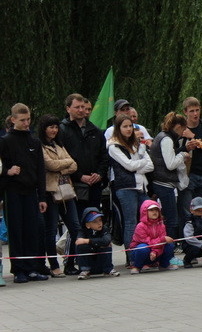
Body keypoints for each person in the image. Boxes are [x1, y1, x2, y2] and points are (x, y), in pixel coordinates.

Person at [0, 103, 50, 284]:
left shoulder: (34, 141)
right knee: (16, 231)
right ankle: (18, 270)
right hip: (13, 192)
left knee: (32, 230)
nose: (26, 123)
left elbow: (40, 171)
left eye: (28, 119)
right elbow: (0, 167)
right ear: (13, 120)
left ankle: (32, 268)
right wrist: (7, 171)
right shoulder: (5, 141)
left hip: (31, 193)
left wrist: (42, 196)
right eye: (22, 120)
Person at [59, 93, 108, 274]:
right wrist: (80, 176)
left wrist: (100, 174)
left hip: (94, 185)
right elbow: (63, 159)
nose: (81, 111)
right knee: (76, 225)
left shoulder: (95, 130)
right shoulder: (62, 131)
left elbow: (104, 157)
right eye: (77, 107)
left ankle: (93, 261)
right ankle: (70, 262)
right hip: (74, 185)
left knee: (94, 222)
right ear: (68, 109)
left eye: (83, 107)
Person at [38, 114, 81, 278]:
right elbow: (49, 164)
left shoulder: (59, 145)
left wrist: (60, 167)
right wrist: (64, 165)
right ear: (44, 128)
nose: (54, 130)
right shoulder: (41, 146)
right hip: (51, 192)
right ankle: (54, 265)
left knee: (75, 228)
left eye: (56, 127)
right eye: (51, 127)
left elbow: (74, 164)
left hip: (67, 192)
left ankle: (70, 263)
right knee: (51, 231)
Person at [107, 114, 153, 257]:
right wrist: (138, 165)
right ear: (118, 128)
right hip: (126, 187)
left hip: (141, 186)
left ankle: (149, 252)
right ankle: (131, 256)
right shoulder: (113, 146)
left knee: (149, 217)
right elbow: (129, 165)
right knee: (130, 222)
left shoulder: (136, 144)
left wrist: (137, 166)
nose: (128, 129)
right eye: (125, 126)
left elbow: (150, 165)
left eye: (130, 126)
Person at [150, 112, 190, 241]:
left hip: (163, 183)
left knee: (169, 218)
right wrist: (183, 155)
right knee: (172, 220)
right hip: (163, 184)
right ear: (178, 126)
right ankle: (169, 250)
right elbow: (171, 164)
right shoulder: (166, 139)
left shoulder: (163, 137)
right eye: (183, 129)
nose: (183, 132)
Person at [129, 200, 178, 274]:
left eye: (156, 210)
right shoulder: (140, 226)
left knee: (169, 244)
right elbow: (148, 242)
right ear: (145, 212)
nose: (154, 212)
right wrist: (162, 240)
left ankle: (164, 265)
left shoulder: (161, 225)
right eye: (151, 210)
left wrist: (155, 252)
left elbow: (161, 242)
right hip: (142, 252)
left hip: (155, 252)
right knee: (143, 247)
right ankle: (137, 266)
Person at [75, 208, 120, 279]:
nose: (99, 223)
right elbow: (78, 241)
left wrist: (88, 241)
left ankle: (108, 269)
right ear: (87, 225)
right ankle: (85, 270)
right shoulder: (82, 231)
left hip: (102, 262)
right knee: (81, 245)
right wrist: (88, 242)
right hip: (89, 262)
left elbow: (106, 240)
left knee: (107, 244)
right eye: (95, 221)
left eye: (100, 220)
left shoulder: (104, 229)